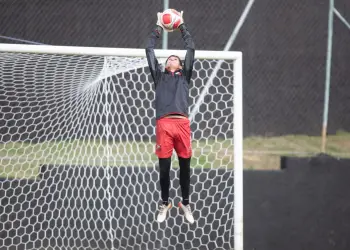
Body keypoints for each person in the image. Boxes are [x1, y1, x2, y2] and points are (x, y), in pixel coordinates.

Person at [145, 10, 195, 224]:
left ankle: (185, 202)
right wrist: (158, 26)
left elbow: (190, 48)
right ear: (165, 65)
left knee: (185, 167)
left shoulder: (185, 77)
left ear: (182, 65)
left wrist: (181, 25)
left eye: (177, 57)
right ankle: (164, 202)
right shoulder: (159, 77)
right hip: (164, 124)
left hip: (182, 124)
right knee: (164, 169)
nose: (173, 57)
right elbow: (149, 49)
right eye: (169, 58)